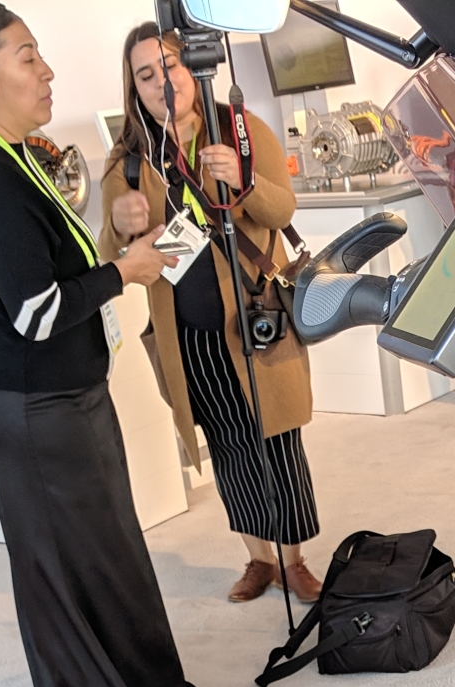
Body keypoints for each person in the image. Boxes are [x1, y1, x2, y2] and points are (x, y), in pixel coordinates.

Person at [0, 3, 194, 687]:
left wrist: (119, 256)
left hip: (63, 400)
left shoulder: (10, 159)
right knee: (70, 569)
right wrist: (124, 271)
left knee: (108, 554)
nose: (48, 72)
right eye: (28, 58)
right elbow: (36, 313)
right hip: (38, 410)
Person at [105, 25, 324, 606]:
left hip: (257, 321)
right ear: (133, 88)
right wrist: (122, 224)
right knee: (229, 447)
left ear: (191, 68)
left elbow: (283, 208)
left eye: (170, 66)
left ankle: (294, 561)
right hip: (188, 337)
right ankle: (260, 559)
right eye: (145, 75)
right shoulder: (130, 160)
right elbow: (108, 248)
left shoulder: (240, 129)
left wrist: (243, 183)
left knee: (278, 443)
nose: (163, 82)